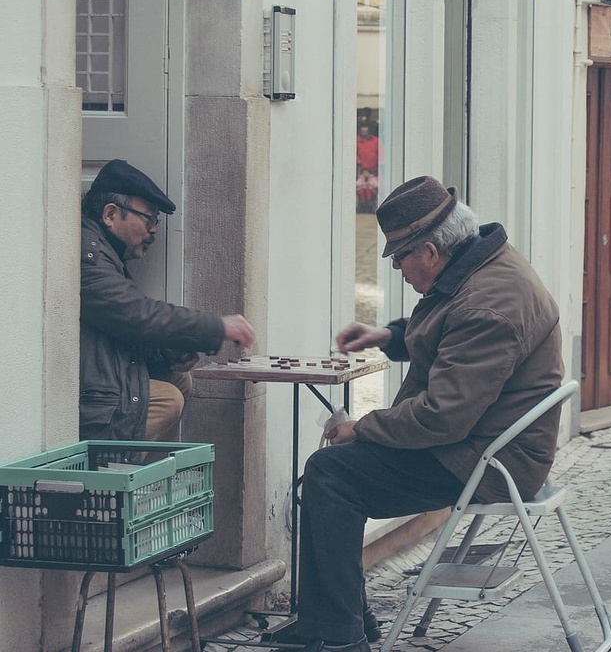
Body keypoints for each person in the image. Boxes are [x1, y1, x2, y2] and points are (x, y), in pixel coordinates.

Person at [295, 176, 564, 651]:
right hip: (483, 442)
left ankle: (338, 635)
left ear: (432, 251)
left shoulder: (488, 303)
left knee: (330, 476)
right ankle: (338, 620)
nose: (397, 267)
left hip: (488, 461)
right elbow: (448, 330)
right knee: (332, 472)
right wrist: (388, 337)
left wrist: (363, 427)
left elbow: (443, 416)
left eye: (400, 257)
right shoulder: (483, 267)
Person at [80, 159, 255, 442]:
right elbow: (137, 315)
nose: (154, 231)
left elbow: (123, 330)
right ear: (110, 214)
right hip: (86, 396)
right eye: (149, 218)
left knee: (177, 379)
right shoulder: (88, 257)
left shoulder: (106, 253)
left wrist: (168, 353)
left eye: (157, 221)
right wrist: (217, 327)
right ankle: (112, 479)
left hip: (98, 381)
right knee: (167, 399)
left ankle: (133, 473)